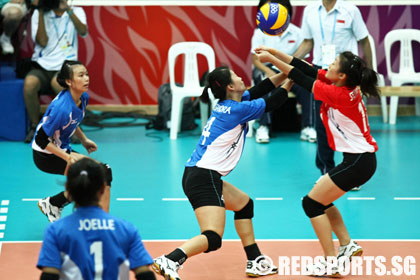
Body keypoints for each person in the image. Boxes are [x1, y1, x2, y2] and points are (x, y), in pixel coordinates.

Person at [152, 66, 293, 280]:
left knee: (244, 205)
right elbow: (273, 101)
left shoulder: (229, 103)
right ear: (230, 86)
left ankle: (254, 260)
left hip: (199, 174)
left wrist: (287, 71)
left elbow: (262, 88)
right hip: (203, 176)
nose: (240, 76)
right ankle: (170, 260)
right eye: (236, 75)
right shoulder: (237, 110)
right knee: (213, 237)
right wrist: (293, 79)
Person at [254, 46, 379, 276]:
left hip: (359, 162)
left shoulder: (338, 94)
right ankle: (346, 244)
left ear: (341, 76)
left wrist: (270, 59)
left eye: (333, 64)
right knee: (320, 198)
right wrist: (274, 51)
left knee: (311, 203)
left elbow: (298, 77)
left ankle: (330, 262)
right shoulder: (340, 84)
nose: (328, 65)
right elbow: (303, 67)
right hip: (359, 161)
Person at [293, 0, 373, 191]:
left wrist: (366, 73)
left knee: (349, 126)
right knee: (322, 127)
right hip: (324, 72)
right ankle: (326, 172)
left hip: (346, 77)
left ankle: (351, 173)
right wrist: (291, 62)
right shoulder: (310, 11)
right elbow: (307, 42)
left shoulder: (351, 10)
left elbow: (364, 40)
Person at [37, 158, 156, 280]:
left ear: (68, 189)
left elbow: (49, 276)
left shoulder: (56, 231)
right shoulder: (126, 229)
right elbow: (145, 275)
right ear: (103, 189)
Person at [32, 60, 112, 222]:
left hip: (61, 148)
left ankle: (54, 203)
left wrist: (83, 139)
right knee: (102, 172)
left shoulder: (82, 98)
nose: (86, 79)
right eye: (81, 75)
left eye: (87, 74)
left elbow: (73, 121)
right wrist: (66, 157)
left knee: (92, 178)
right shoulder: (61, 108)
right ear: (69, 81)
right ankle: (104, 223)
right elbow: (40, 139)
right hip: (46, 155)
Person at [251, 0, 316, 143]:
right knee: (264, 82)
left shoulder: (298, 33)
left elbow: (302, 61)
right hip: (268, 69)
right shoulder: (260, 31)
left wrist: (291, 74)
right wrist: (268, 71)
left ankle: (308, 127)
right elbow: (255, 60)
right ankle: (263, 126)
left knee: (308, 85)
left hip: (291, 70)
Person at [24, 0, 87, 143]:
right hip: (43, 66)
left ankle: (71, 127)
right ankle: (35, 127)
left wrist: (69, 11)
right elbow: (42, 42)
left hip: (64, 67)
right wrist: (40, 11)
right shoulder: (38, 14)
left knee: (58, 84)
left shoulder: (77, 11)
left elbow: (83, 32)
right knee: (29, 83)